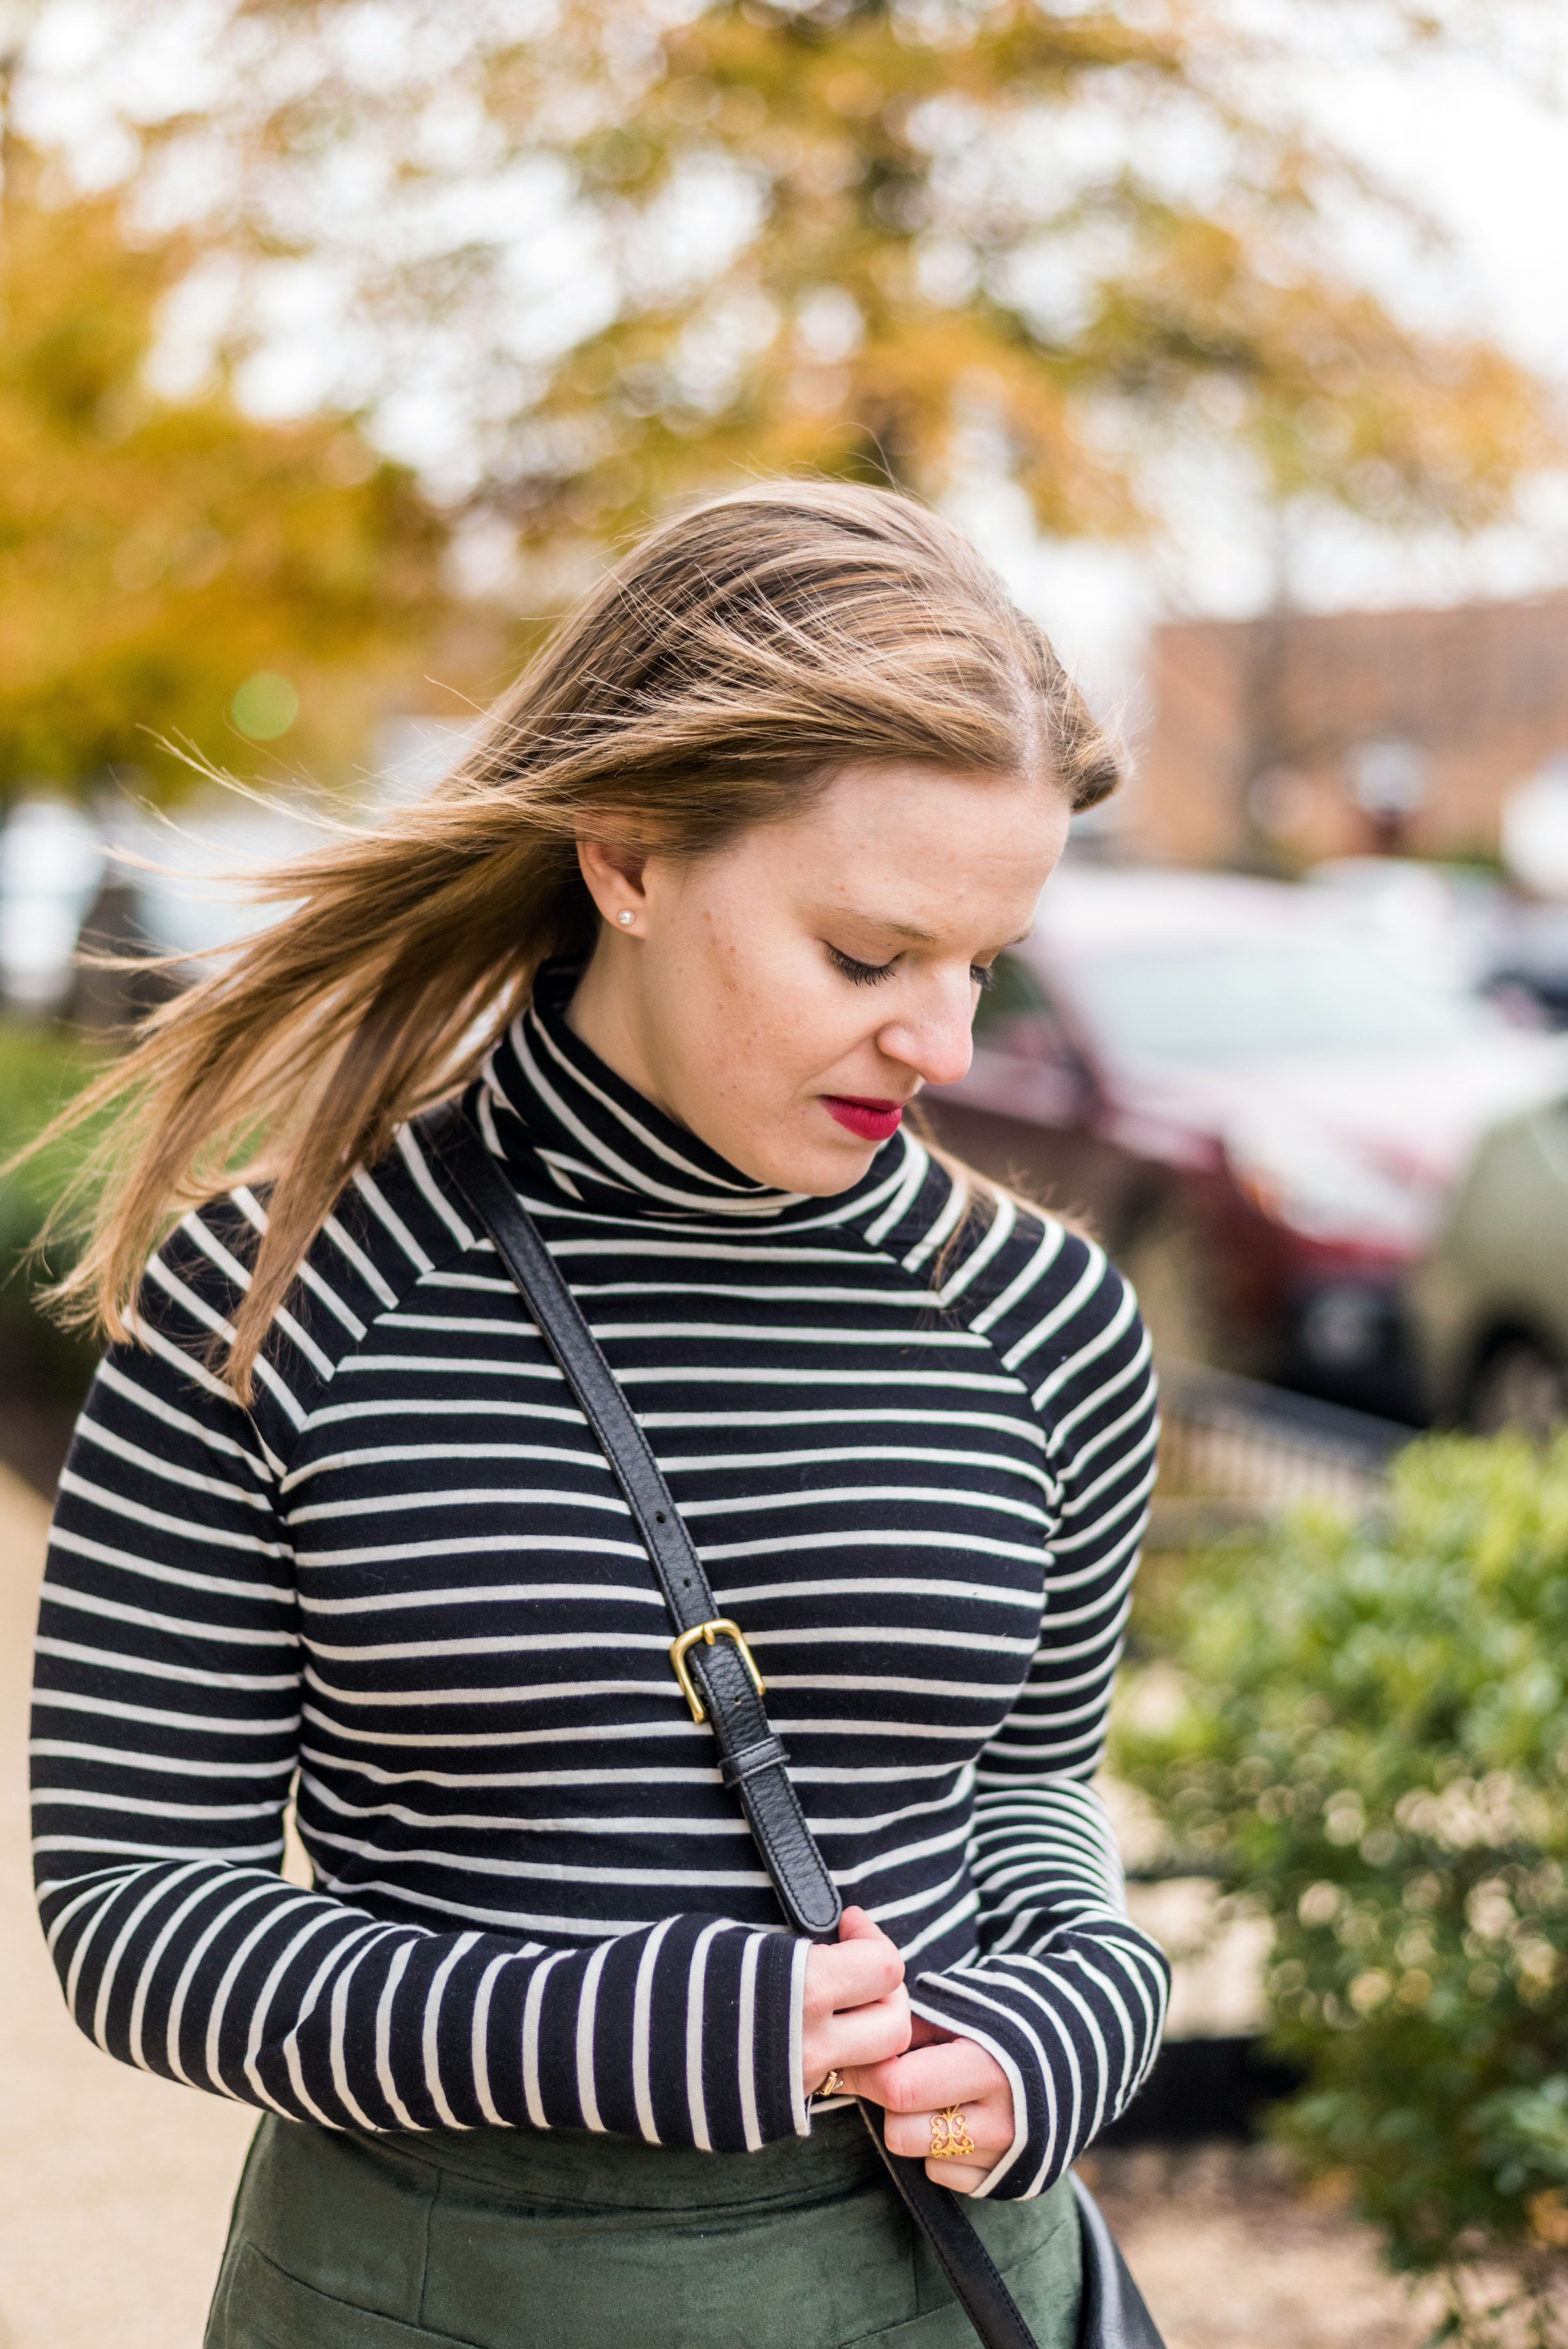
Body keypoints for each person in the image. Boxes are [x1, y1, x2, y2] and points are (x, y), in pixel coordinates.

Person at [28, 479, 1169, 2349]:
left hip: (934, 2282)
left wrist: (1074, 2007)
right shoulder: (275, 1297)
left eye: (986, 965)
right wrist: (629, 2032)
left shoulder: (1045, 1321)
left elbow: (1029, 1790)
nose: (945, 1046)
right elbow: (140, 1917)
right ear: (627, 856)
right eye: (867, 959)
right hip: (440, 2292)